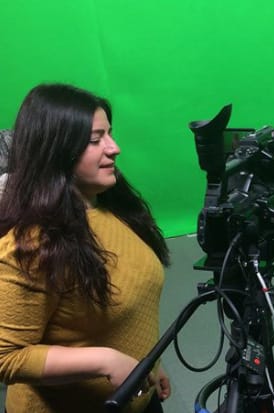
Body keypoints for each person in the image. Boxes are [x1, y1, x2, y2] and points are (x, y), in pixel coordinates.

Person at [0, 84, 171, 413]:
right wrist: (105, 361)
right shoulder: (29, 247)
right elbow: (5, 357)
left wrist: (148, 363)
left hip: (134, 395)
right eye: (95, 140)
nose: (114, 148)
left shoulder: (114, 208)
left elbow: (126, 308)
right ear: (57, 150)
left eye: (110, 134)